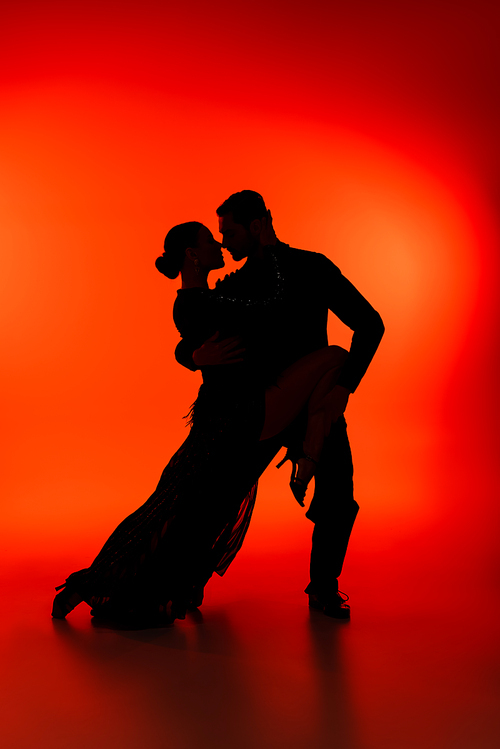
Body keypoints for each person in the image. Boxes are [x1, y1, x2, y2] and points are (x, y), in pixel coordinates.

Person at [51, 220, 348, 625]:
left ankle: (119, 583)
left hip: (225, 416)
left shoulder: (205, 297)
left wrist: (190, 355)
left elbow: (202, 333)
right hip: (235, 415)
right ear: (192, 254)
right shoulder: (203, 302)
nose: (220, 245)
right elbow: (248, 316)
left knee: (191, 506)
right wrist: (190, 355)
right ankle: (100, 583)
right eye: (210, 240)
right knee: (180, 506)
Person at [175, 190, 385, 619]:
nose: (225, 245)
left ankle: (323, 589)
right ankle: (185, 583)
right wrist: (191, 356)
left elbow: (370, 324)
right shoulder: (233, 285)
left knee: (339, 499)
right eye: (219, 237)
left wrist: (344, 387)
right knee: (216, 495)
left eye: (230, 233)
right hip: (255, 407)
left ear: (257, 225)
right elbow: (193, 327)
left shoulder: (312, 267)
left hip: (313, 407)